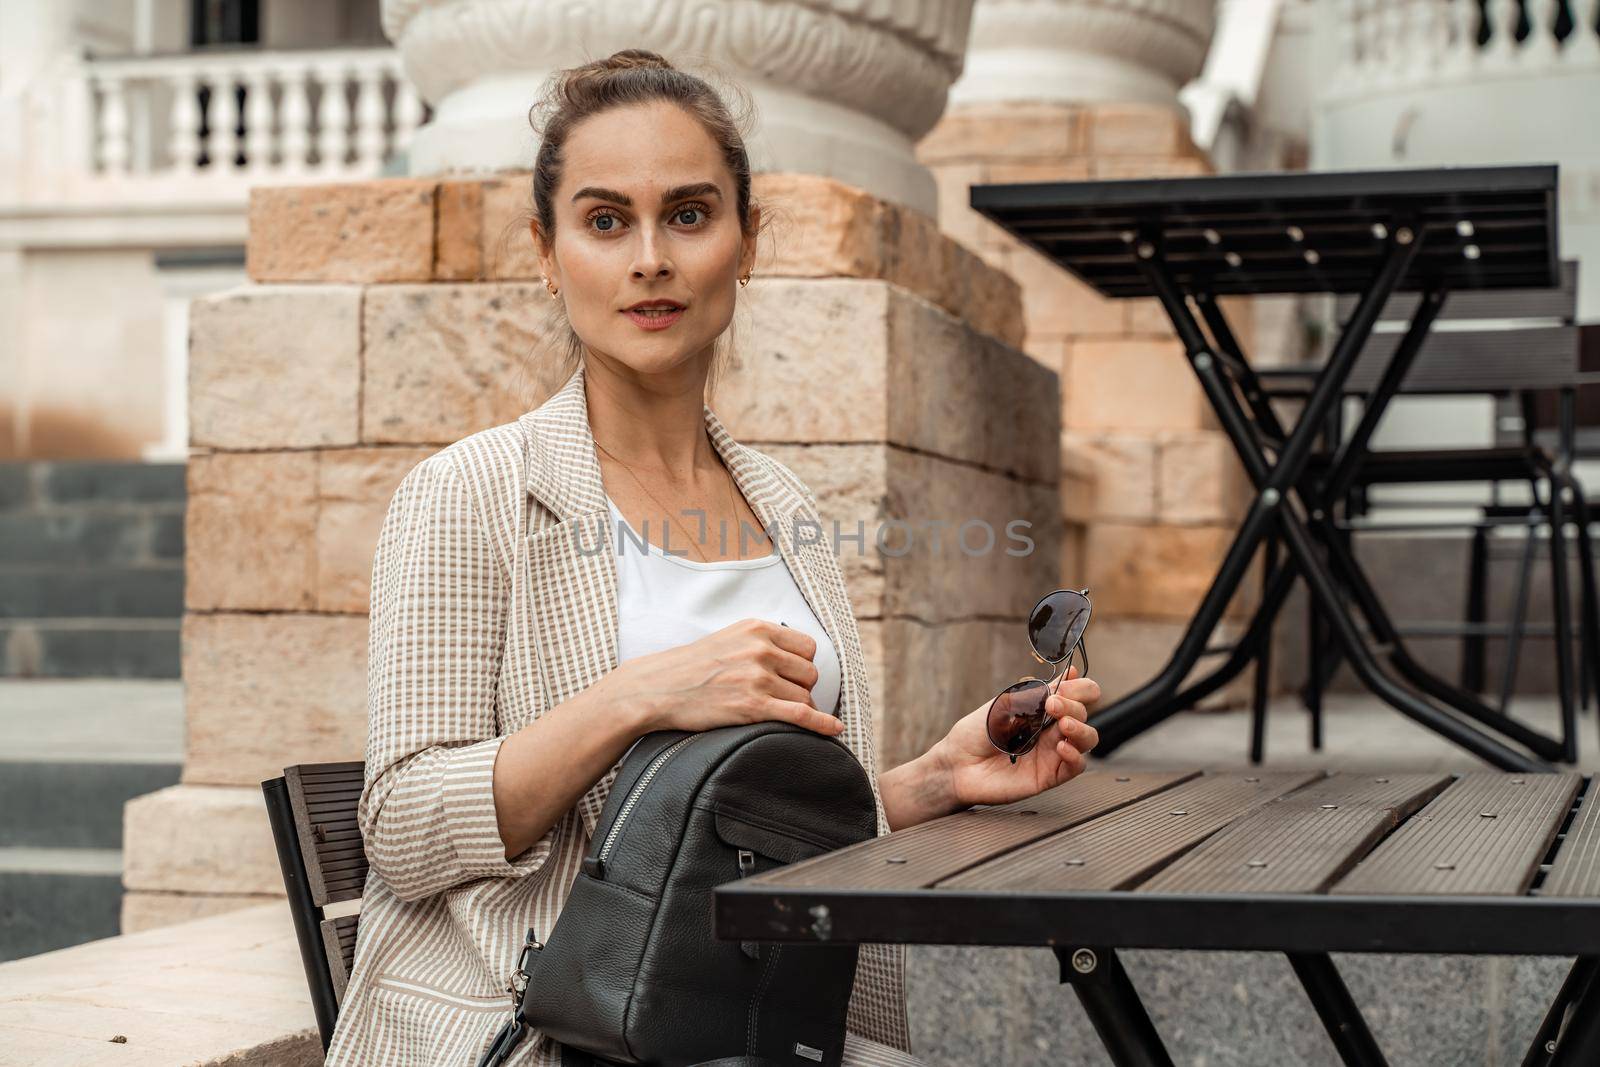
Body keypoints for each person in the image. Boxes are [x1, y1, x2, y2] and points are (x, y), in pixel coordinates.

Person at [323, 48, 1102, 1067]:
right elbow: (407, 828)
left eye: (689, 214)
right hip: (547, 1030)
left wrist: (930, 780)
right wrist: (641, 693)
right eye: (606, 221)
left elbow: (730, 817)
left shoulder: (781, 504)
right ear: (548, 253)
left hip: (765, 1022)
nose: (651, 257)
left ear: (745, 240)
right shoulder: (471, 493)